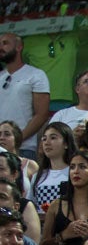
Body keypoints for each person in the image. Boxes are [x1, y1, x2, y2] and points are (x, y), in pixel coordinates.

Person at [0, 32, 50, 160]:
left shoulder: (36, 75)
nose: (1, 47)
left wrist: (17, 139)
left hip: (23, 149)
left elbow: (42, 114)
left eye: (5, 43)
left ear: (19, 47)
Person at [30, 122, 75, 207]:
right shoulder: (37, 176)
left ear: (66, 144)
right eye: (44, 139)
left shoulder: (74, 172)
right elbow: (30, 205)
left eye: (53, 138)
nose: (47, 143)